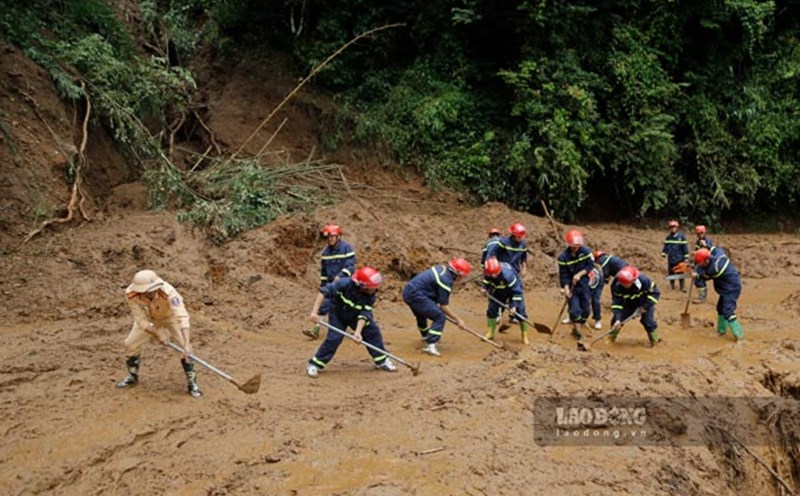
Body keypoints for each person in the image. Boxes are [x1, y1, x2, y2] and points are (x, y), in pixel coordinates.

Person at [116, 270, 202, 398]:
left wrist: (187, 343)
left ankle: (192, 383)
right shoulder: (131, 293)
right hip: (149, 320)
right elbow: (140, 320)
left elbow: (182, 316)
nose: (151, 292)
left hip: (170, 317)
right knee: (129, 344)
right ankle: (132, 376)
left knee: (184, 348)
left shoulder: (169, 292)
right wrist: (157, 332)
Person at [306, 267, 397, 377]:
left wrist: (357, 332)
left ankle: (381, 361)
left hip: (355, 316)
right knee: (334, 338)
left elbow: (365, 314)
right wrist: (314, 313)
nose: (374, 290)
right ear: (361, 285)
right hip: (338, 314)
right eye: (371, 288)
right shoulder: (344, 283)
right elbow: (323, 292)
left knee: (373, 332)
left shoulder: (371, 295)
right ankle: (315, 364)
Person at [402, 258, 471, 357]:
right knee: (439, 317)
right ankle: (431, 345)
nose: (462, 279)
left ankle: (426, 336)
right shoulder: (446, 281)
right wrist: (458, 319)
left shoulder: (442, 268)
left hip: (410, 291)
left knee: (421, 313)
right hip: (416, 295)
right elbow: (444, 306)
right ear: (457, 273)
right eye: (462, 276)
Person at [303, 224, 356, 339]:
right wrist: (323, 285)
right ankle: (316, 329)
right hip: (332, 285)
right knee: (325, 305)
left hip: (346, 284)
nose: (330, 239)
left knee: (349, 308)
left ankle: (359, 330)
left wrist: (341, 276)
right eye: (328, 237)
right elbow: (324, 272)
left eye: (333, 236)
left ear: (338, 237)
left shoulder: (347, 248)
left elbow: (350, 266)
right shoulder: (326, 253)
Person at [693, 248, 744, 341]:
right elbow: (714, 248)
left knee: (727, 310)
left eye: (700, 263)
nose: (700, 265)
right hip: (725, 289)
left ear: (707, 260)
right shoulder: (719, 254)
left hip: (731, 289)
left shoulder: (715, 267)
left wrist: (696, 275)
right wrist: (706, 246)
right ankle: (721, 330)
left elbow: (704, 276)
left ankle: (739, 335)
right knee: (720, 308)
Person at [608, 266, 661, 347]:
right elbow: (617, 303)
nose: (632, 282)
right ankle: (610, 339)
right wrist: (618, 319)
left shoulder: (644, 280)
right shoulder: (617, 286)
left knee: (648, 322)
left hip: (645, 302)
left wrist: (645, 307)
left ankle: (655, 342)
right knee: (616, 321)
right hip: (629, 303)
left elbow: (655, 293)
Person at [482, 257, 530, 344]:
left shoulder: (508, 275)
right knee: (492, 309)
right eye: (491, 275)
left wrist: (514, 305)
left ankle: (524, 335)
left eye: (495, 274)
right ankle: (490, 333)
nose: (493, 276)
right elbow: (486, 280)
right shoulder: (488, 271)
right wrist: (484, 288)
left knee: (520, 311)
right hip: (497, 290)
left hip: (513, 291)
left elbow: (516, 291)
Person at [557, 230, 595, 339]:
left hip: (584, 284)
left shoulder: (586, 252)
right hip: (572, 287)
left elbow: (590, 266)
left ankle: (579, 325)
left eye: (577, 246)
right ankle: (578, 332)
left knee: (586, 310)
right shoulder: (563, 258)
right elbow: (563, 275)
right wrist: (566, 289)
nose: (576, 248)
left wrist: (579, 274)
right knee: (574, 310)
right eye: (573, 246)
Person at [661, 220, 689, 291]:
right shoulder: (668, 237)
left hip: (680, 258)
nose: (673, 229)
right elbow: (666, 246)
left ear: (677, 228)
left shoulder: (682, 237)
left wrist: (686, 257)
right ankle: (672, 286)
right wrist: (664, 253)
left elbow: (685, 247)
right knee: (671, 272)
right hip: (671, 258)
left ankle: (682, 287)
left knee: (681, 272)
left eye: (674, 227)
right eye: (671, 227)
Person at [692, 225, 715, 303]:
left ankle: (702, 297)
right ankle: (701, 295)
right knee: (697, 279)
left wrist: (706, 245)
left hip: (706, 264)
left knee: (699, 277)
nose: (700, 235)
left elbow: (712, 252)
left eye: (701, 233)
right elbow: (697, 252)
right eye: (698, 233)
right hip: (699, 263)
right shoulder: (698, 242)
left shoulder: (708, 241)